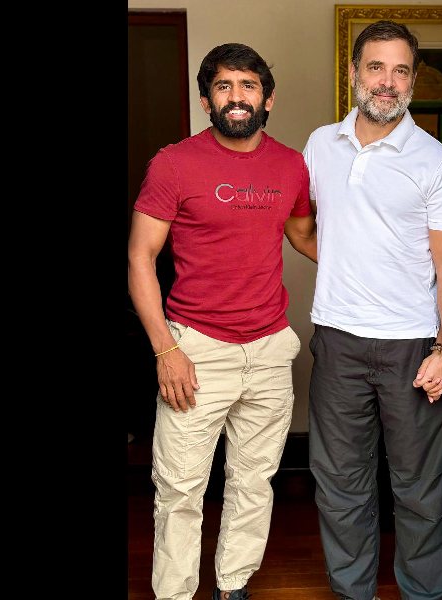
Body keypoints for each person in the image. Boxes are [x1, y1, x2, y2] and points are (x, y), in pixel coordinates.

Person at [127, 42, 317, 600]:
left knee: (254, 482)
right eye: (224, 86)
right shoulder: (174, 163)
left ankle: (232, 585)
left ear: (268, 98)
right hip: (195, 349)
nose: (237, 97)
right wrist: (166, 351)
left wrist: (386, 271)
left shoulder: (290, 165)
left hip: (269, 348)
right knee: (181, 487)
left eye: (248, 85)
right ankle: (176, 593)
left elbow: (305, 236)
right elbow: (139, 258)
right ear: (207, 99)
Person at [302, 19, 442, 600]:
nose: (387, 82)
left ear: (414, 80)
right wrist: (351, 265)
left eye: (400, 71)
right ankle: (353, 592)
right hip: (339, 341)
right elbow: (305, 229)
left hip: (412, 345)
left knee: (419, 490)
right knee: (339, 484)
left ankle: (422, 593)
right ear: (354, 73)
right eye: (376, 67)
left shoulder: (437, 162)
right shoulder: (320, 144)